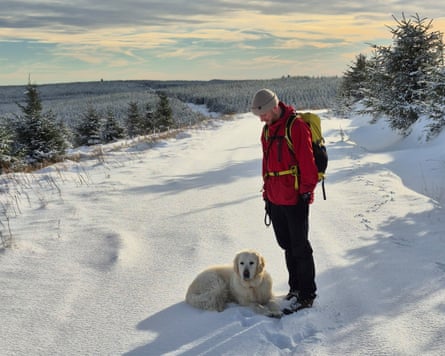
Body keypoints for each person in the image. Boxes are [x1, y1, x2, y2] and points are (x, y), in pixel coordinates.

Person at [251, 88, 319, 310]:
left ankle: (307, 294)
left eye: (263, 114)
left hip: (295, 197)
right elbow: (266, 163)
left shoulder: (296, 127)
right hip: (274, 197)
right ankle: (295, 288)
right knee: (286, 245)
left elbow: (307, 161)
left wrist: (307, 191)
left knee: (300, 247)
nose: (261, 119)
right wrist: (266, 192)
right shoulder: (267, 131)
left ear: (274, 107)